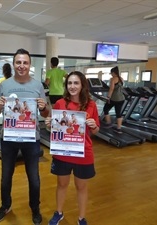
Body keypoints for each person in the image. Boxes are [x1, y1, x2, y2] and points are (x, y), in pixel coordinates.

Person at [0, 48, 50, 225]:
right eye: (18, 62)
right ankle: (5, 205)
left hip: (31, 138)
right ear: (14, 64)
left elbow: (48, 113)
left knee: (33, 177)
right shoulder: (4, 84)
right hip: (9, 137)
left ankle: (35, 207)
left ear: (29, 65)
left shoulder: (38, 86)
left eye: (25, 62)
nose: (21, 66)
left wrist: (43, 107)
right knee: (6, 176)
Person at [45, 71, 100, 225]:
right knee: (62, 184)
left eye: (76, 83)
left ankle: (81, 218)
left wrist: (94, 125)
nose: (72, 86)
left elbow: (95, 131)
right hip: (62, 152)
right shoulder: (60, 104)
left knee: (81, 186)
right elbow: (55, 128)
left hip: (83, 153)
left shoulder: (91, 105)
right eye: (69, 83)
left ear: (82, 85)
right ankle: (59, 213)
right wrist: (49, 125)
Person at [103, 66, 125, 133]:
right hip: (122, 98)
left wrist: (108, 97)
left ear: (113, 72)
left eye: (111, 73)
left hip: (114, 99)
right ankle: (119, 129)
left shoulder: (113, 79)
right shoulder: (121, 78)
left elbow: (111, 89)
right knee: (118, 113)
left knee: (105, 109)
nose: (111, 74)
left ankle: (109, 123)